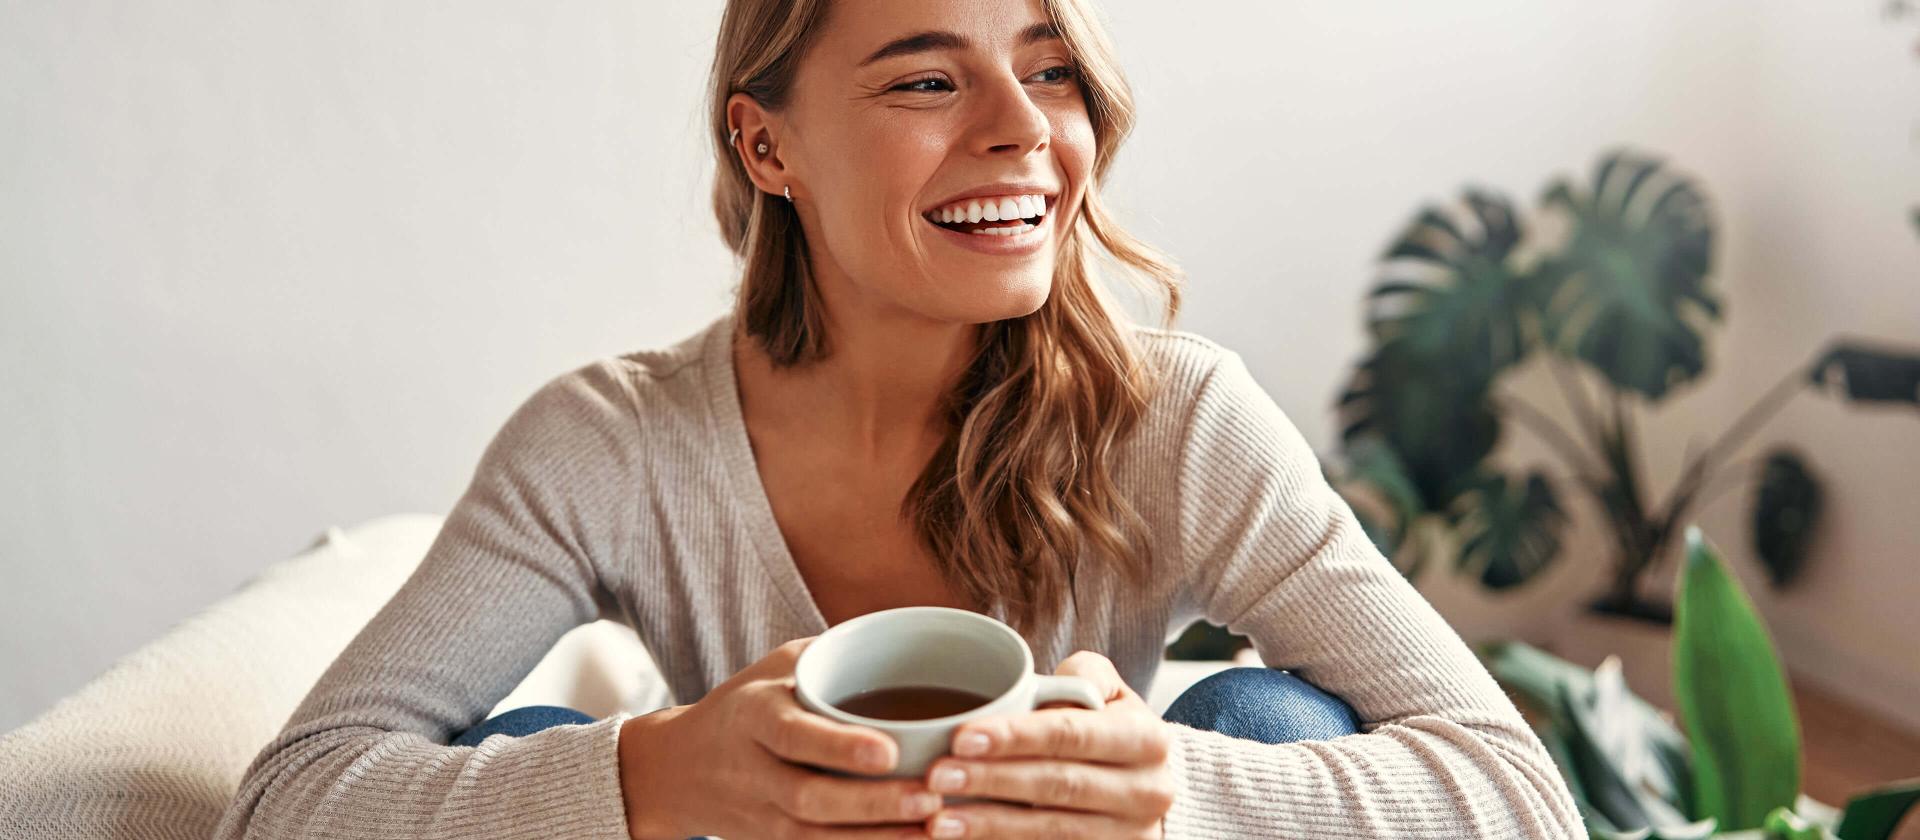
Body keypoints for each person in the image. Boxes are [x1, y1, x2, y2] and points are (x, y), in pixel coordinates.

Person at [216, 0, 1581, 837]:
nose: (1022, 131)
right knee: (527, 774)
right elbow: (288, 807)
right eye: (928, 80)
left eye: (1048, 69)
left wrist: (1168, 797)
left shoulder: (1177, 419)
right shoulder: (611, 446)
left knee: (1268, 724)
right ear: (768, 148)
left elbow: (1521, 803)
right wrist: (663, 774)